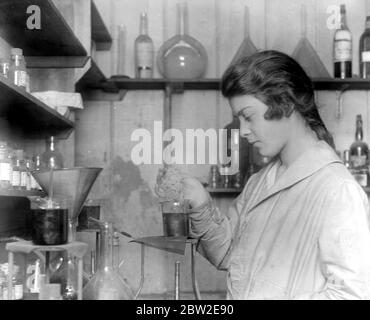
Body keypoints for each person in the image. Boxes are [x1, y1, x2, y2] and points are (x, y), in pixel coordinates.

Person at [181, 50, 370, 300]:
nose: (244, 131)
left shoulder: (336, 190)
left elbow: (352, 295)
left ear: (287, 104)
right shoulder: (259, 183)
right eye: (239, 120)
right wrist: (201, 205)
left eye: (249, 117)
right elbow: (228, 254)